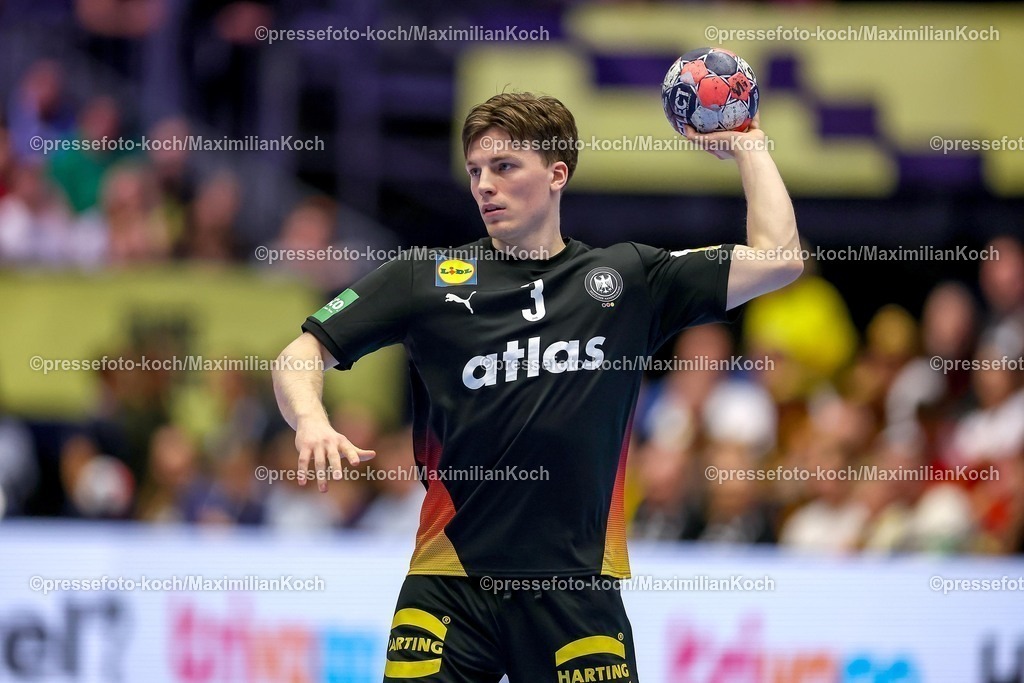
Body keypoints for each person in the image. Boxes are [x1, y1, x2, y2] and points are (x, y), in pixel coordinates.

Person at [271, 92, 801, 683]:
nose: (484, 186)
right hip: (449, 586)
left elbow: (778, 259)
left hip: (576, 590)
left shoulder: (627, 279)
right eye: (475, 171)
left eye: (504, 167)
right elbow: (300, 353)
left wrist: (748, 144)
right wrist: (311, 420)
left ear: (557, 174)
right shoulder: (424, 279)